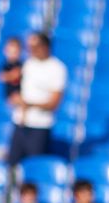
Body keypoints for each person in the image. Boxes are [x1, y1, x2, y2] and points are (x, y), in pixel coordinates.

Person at [7, 32, 67, 166]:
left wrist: (29, 105)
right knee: (12, 164)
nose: (31, 50)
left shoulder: (57, 68)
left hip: (40, 126)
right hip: (20, 123)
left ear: (45, 46)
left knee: (33, 166)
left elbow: (54, 103)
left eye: (35, 47)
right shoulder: (28, 63)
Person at [0, 35, 23, 104]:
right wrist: (12, 75)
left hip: (21, 95)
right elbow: (2, 77)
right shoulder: (5, 66)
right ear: (5, 51)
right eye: (10, 52)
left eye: (15, 52)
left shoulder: (22, 64)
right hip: (10, 96)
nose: (13, 55)